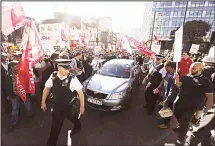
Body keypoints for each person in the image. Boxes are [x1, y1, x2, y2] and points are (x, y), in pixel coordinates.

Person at [41, 59, 85, 146]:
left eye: (68, 68)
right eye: (65, 68)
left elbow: (80, 92)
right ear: (59, 67)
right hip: (58, 108)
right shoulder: (53, 76)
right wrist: (43, 102)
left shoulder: (72, 78)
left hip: (70, 107)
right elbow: (46, 88)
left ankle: (77, 127)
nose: (68, 70)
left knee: (75, 119)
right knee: (55, 129)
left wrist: (82, 106)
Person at [174, 62, 214, 145]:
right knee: (177, 118)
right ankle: (179, 128)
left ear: (200, 69)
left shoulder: (206, 82)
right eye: (190, 68)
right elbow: (178, 85)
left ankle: (181, 137)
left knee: (186, 122)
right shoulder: (186, 77)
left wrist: (208, 112)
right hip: (180, 103)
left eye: (193, 68)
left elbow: (210, 98)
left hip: (192, 106)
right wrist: (177, 79)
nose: (190, 70)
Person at [154, 61, 178, 129]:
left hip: (169, 97)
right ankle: (162, 115)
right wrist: (159, 88)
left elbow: (172, 90)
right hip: (163, 94)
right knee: (161, 105)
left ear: (171, 67)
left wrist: (168, 99)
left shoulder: (175, 76)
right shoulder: (168, 73)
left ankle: (166, 124)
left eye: (166, 67)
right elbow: (163, 80)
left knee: (168, 110)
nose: (165, 68)